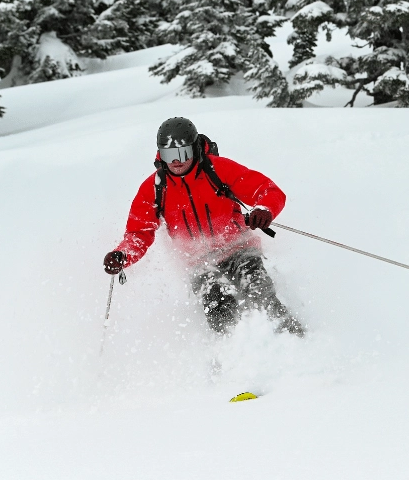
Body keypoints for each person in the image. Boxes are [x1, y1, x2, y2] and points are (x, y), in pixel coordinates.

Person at [103, 117, 304, 336]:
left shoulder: (218, 170)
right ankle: (231, 352)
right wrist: (122, 255)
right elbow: (139, 233)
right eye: (169, 155)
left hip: (239, 248)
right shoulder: (155, 188)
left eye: (183, 153)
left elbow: (268, 190)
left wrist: (264, 210)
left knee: (258, 290)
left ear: (194, 148)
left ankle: (291, 336)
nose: (176, 162)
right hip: (199, 262)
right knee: (218, 304)